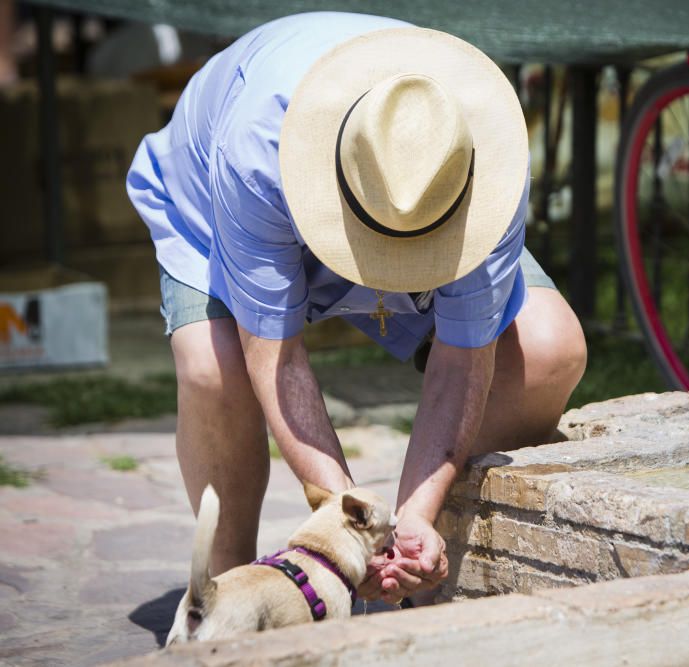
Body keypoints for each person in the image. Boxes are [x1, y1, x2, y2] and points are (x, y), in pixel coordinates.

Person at [125, 12, 586, 606]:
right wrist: (347, 531)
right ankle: (227, 594)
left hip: (397, 193)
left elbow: (465, 357)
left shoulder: (480, 154)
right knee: (214, 370)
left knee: (550, 348)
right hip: (218, 198)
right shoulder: (255, 152)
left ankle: (423, 569)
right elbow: (277, 355)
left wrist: (410, 521)